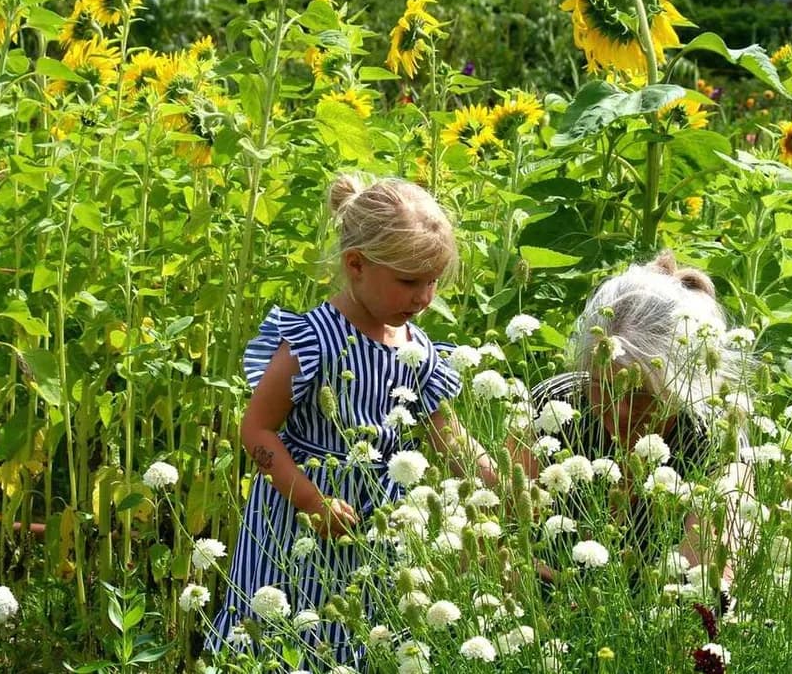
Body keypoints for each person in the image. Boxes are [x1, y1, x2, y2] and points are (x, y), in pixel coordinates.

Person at [208, 174, 486, 665]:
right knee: (285, 640)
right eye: (409, 281)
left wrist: (496, 482)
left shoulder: (416, 350)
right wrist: (312, 501)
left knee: (365, 643)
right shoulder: (313, 340)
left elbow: (448, 435)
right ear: (355, 265)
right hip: (299, 524)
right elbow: (256, 430)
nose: (424, 297)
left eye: (432, 281)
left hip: (377, 529)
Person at [524, 251, 756, 586]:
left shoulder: (715, 441)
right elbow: (502, 536)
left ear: (683, 387)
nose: (619, 410)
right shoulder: (554, 407)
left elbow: (707, 583)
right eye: (603, 387)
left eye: (640, 395)